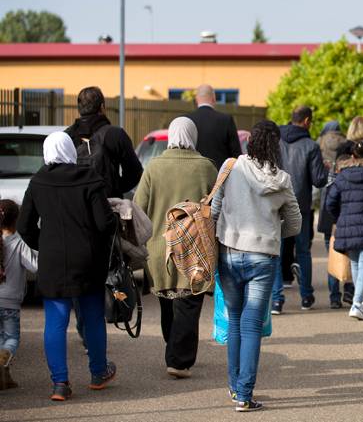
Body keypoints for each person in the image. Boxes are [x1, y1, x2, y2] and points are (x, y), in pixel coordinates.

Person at [18, 132, 119, 401]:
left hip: (53, 261)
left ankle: (60, 383)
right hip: (87, 260)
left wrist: (44, 244)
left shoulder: (38, 181)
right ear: (70, 151)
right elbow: (105, 223)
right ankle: (99, 373)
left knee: (55, 321)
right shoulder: (90, 179)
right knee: (92, 317)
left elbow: (24, 226)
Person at [211, 121, 301, 412]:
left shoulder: (230, 167)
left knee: (234, 320)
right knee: (251, 325)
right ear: (276, 146)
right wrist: (272, 233)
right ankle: (244, 396)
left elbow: (213, 209)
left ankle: (234, 385)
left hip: (229, 252)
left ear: (250, 141)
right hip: (263, 258)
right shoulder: (283, 180)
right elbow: (296, 223)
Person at [133, 117, 218, 379]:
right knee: (189, 303)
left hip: (160, 251)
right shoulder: (206, 168)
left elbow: (138, 208)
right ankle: (179, 360)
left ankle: (174, 348)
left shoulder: (153, 167)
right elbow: (217, 209)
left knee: (168, 301)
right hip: (195, 248)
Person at [272, 106, 327, 313]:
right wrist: (326, 169)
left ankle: (277, 299)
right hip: (301, 206)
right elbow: (319, 179)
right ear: (306, 121)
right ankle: (306, 296)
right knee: (303, 251)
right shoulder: (311, 146)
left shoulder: (277, 142)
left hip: (277, 204)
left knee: (277, 252)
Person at [324, 140, 363, 320]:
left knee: (355, 263)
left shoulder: (343, 175)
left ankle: (359, 301)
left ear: (353, 155)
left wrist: (340, 216)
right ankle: (358, 302)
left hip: (346, 223)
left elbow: (330, 202)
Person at [65, 86, 143, 198]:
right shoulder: (116, 134)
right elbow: (135, 172)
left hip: (76, 206)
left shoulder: (67, 136)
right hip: (108, 205)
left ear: (79, 109)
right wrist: (115, 187)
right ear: (102, 107)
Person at [0, 200, 38, 390]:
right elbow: (34, 265)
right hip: (11, 302)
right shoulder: (17, 242)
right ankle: (4, 356)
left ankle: (4, 378)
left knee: (0, 338)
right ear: (16, 219)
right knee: (12, 338)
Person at [316, 121, 354, 309]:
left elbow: (327, 195)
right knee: (351, 255)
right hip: (348, 218)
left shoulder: (320, 144)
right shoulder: (353, 170)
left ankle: (334, 297)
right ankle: (349, 289)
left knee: (332, 256)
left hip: (328, 218)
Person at [186, 84, 243, 170]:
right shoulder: (226, 120)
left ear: (197, 99)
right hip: (220, 178)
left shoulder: (187, 120)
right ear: (214, 99)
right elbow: (236, 155)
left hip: (194, 177)